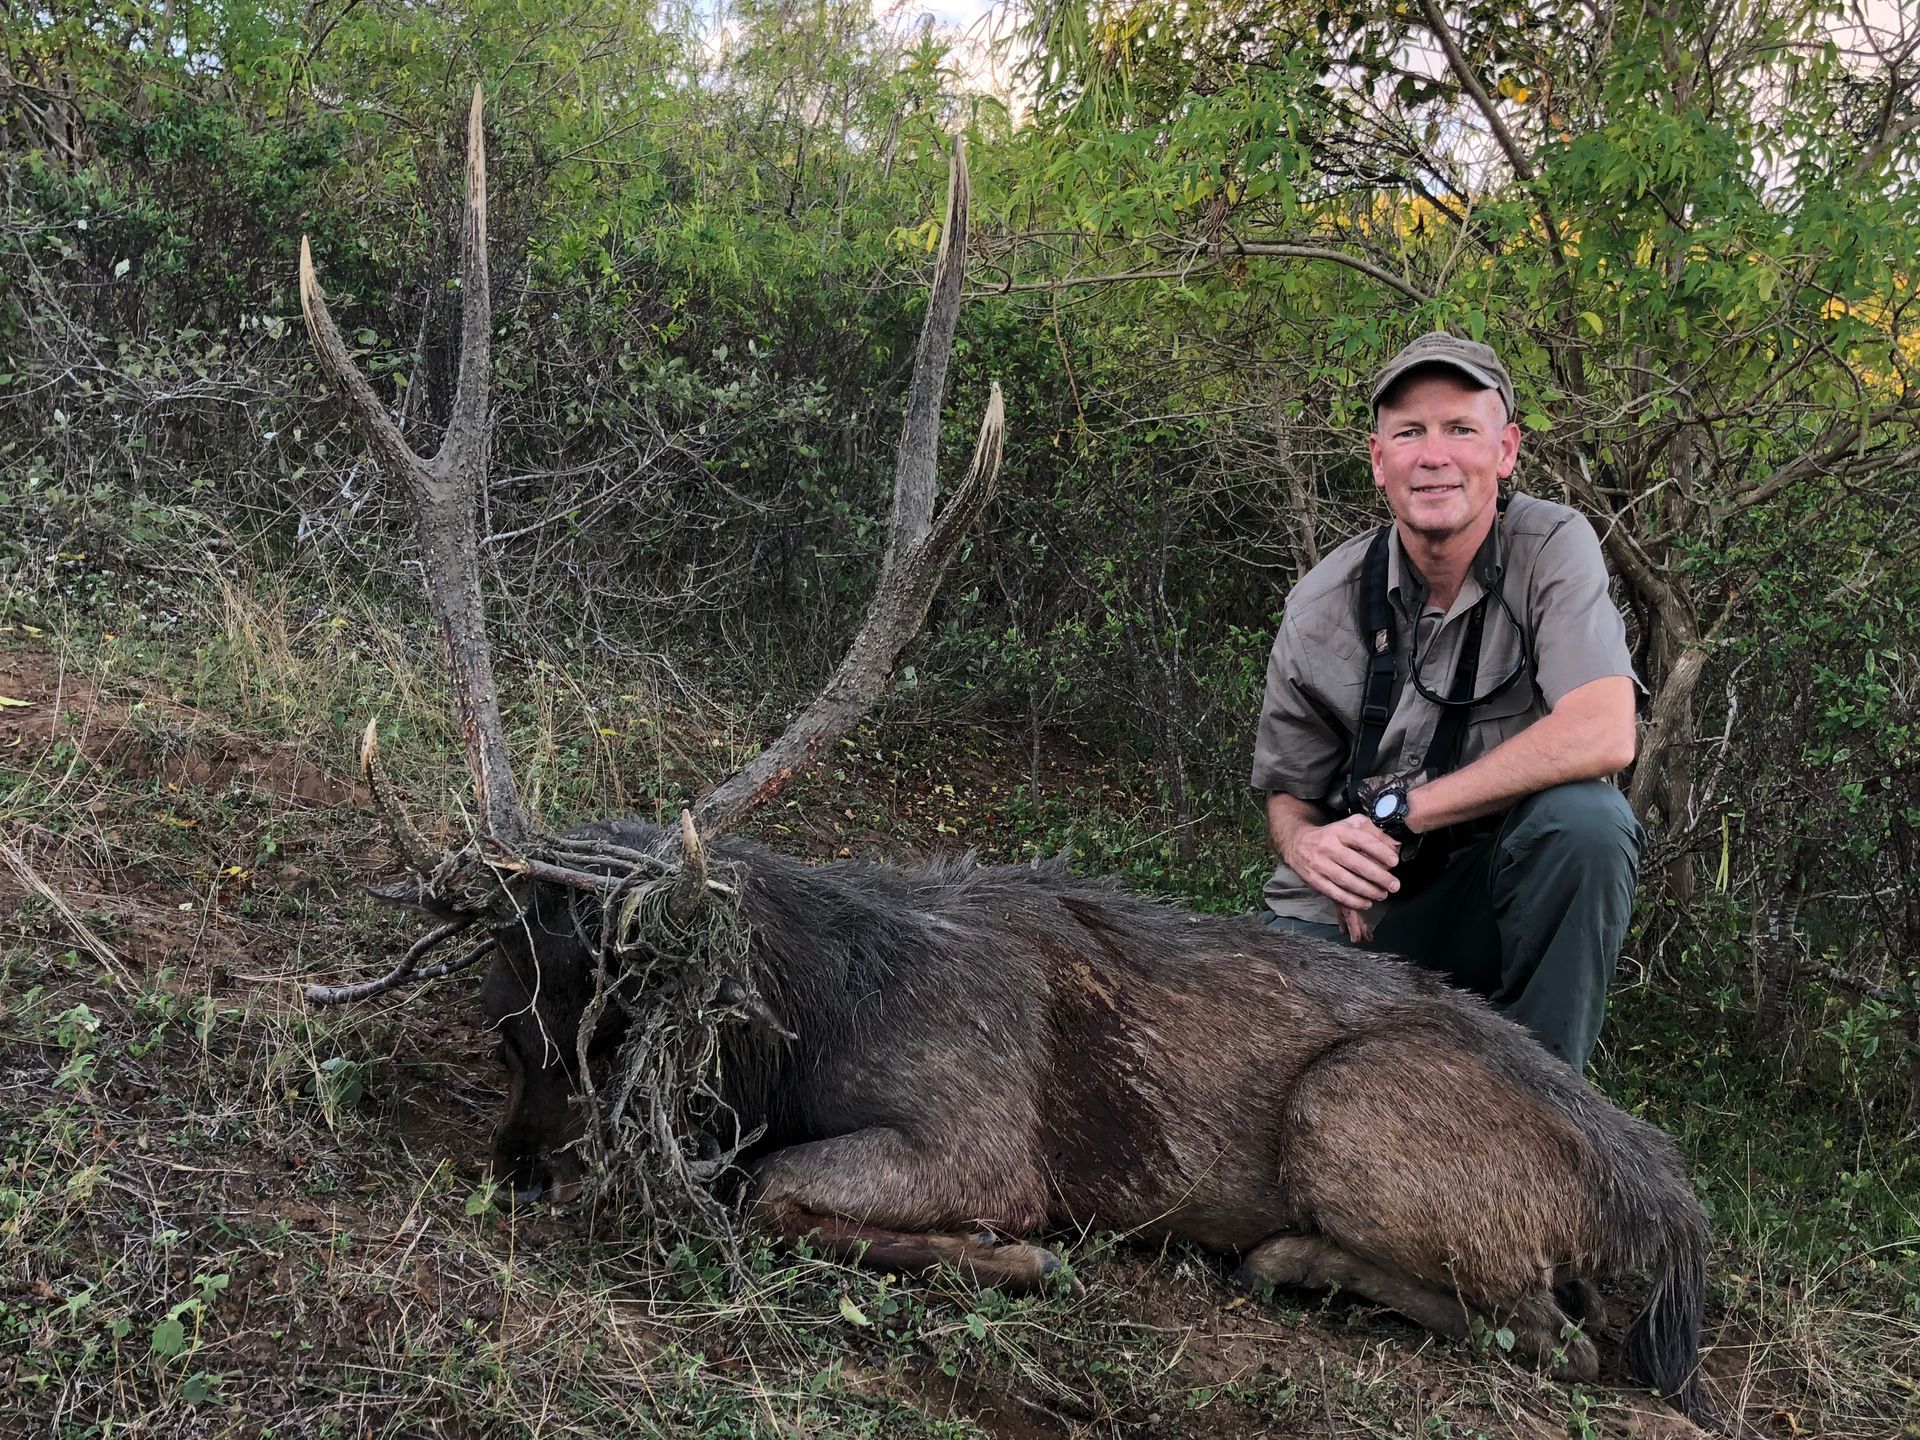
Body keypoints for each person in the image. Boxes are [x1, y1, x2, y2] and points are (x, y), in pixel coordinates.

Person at [1251, 331, 1644, 1072]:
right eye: (1410, 433)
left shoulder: (1553, 547)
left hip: (1490, 899)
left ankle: (1546, 1119)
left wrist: (1404, 812)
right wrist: (1310, 846)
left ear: (1505, 450)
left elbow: (1604, 731)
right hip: (1357, 911)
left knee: (1589, 824)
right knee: (1255, 1067)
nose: (1434, 456)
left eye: (1461, 429)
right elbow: (1287, 790)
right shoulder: (1319, 604)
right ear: (1378, 460)